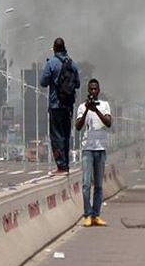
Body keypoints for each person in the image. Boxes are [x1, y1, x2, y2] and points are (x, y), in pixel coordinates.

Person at [40, 37, 81, 174]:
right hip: (68, 106)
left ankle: (61, 166)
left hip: (55, 105)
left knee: (56, 136)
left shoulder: (51, 63)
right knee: (66, 135)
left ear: (55, 49)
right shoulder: (73, 64)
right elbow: (78, 84)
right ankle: (67, 165)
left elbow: (43, 82)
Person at [75, 78, 112, 227]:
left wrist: (95, 110)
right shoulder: (82, 107)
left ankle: (96, 215)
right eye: (90, 89)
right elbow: (78, 126)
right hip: (87, 149)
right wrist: (86, 111)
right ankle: (88, 214)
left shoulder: (104, 105)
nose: (93, 92)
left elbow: (108, 123)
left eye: (95, 89)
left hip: (101, 149)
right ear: (88, 91)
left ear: (99, 90)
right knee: (85, 184)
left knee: (98, 185)